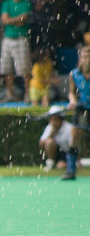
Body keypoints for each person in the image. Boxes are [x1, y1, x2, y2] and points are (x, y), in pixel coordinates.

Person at [0, 0, 31, 103]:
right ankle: (9, 94)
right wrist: (16, 20)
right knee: (7, 69)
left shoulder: (26, 3)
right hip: (8, 38)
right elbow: (5, 20)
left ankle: (28, 94)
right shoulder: (6, 3)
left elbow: (23, 21)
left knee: (25, 69)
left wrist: (11, 20)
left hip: (21, 38)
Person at [64, 46, 90, 180]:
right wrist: (72, 101)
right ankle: (71, 171)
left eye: (89, 57)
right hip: (81, 109)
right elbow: (71, 93)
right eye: (85, 57)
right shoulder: (73, 74)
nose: (87, 60)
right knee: (74, 139)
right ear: (80, 59)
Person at [39, 106, 71, 172]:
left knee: (61, 166)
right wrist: (51, 134)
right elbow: (41, 144)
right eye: (51, 119)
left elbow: (74, 146)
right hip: (56, 153)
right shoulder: (49, 127)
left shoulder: (69, 128)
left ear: (61, 120)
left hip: (66, 153)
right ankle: (51, 163)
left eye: (55, 119)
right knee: (49, 141)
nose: (53, 122)